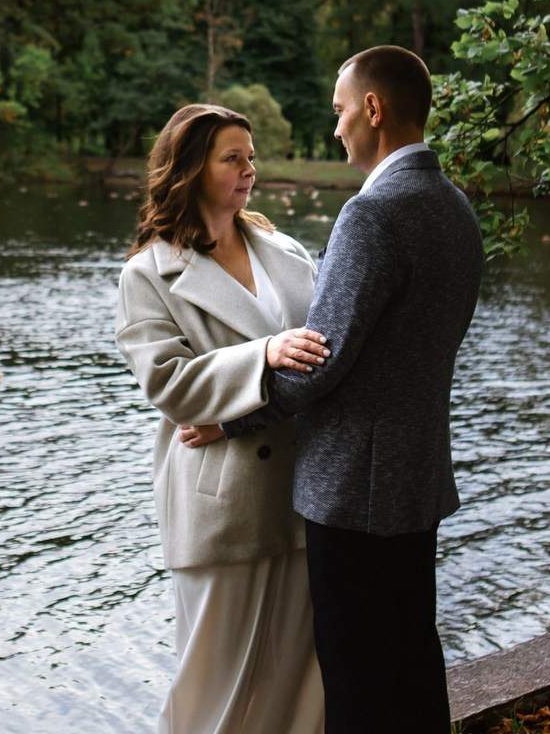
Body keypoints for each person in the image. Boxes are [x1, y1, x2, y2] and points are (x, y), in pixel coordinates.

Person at [223, 46, 484, 734]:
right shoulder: (456, 208)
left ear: (373, 108)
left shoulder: (372, 216)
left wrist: (230, 414)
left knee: (358, 686)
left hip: (352, 492)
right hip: (417, 477)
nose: (336, 127)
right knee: (413, 669)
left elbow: (323, 360)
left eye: (341, 110)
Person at [116, 103, 329, 734]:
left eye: (251, 156)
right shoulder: (147, 275)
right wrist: (262, 355)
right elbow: (171, 386)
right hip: (223, 506)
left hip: (304, 493)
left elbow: (327, 356)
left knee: (300, 683)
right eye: (232, 158)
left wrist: (242, 403)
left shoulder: (284, 251)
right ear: (190, 169)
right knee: (213, 688)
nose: (250, 170)